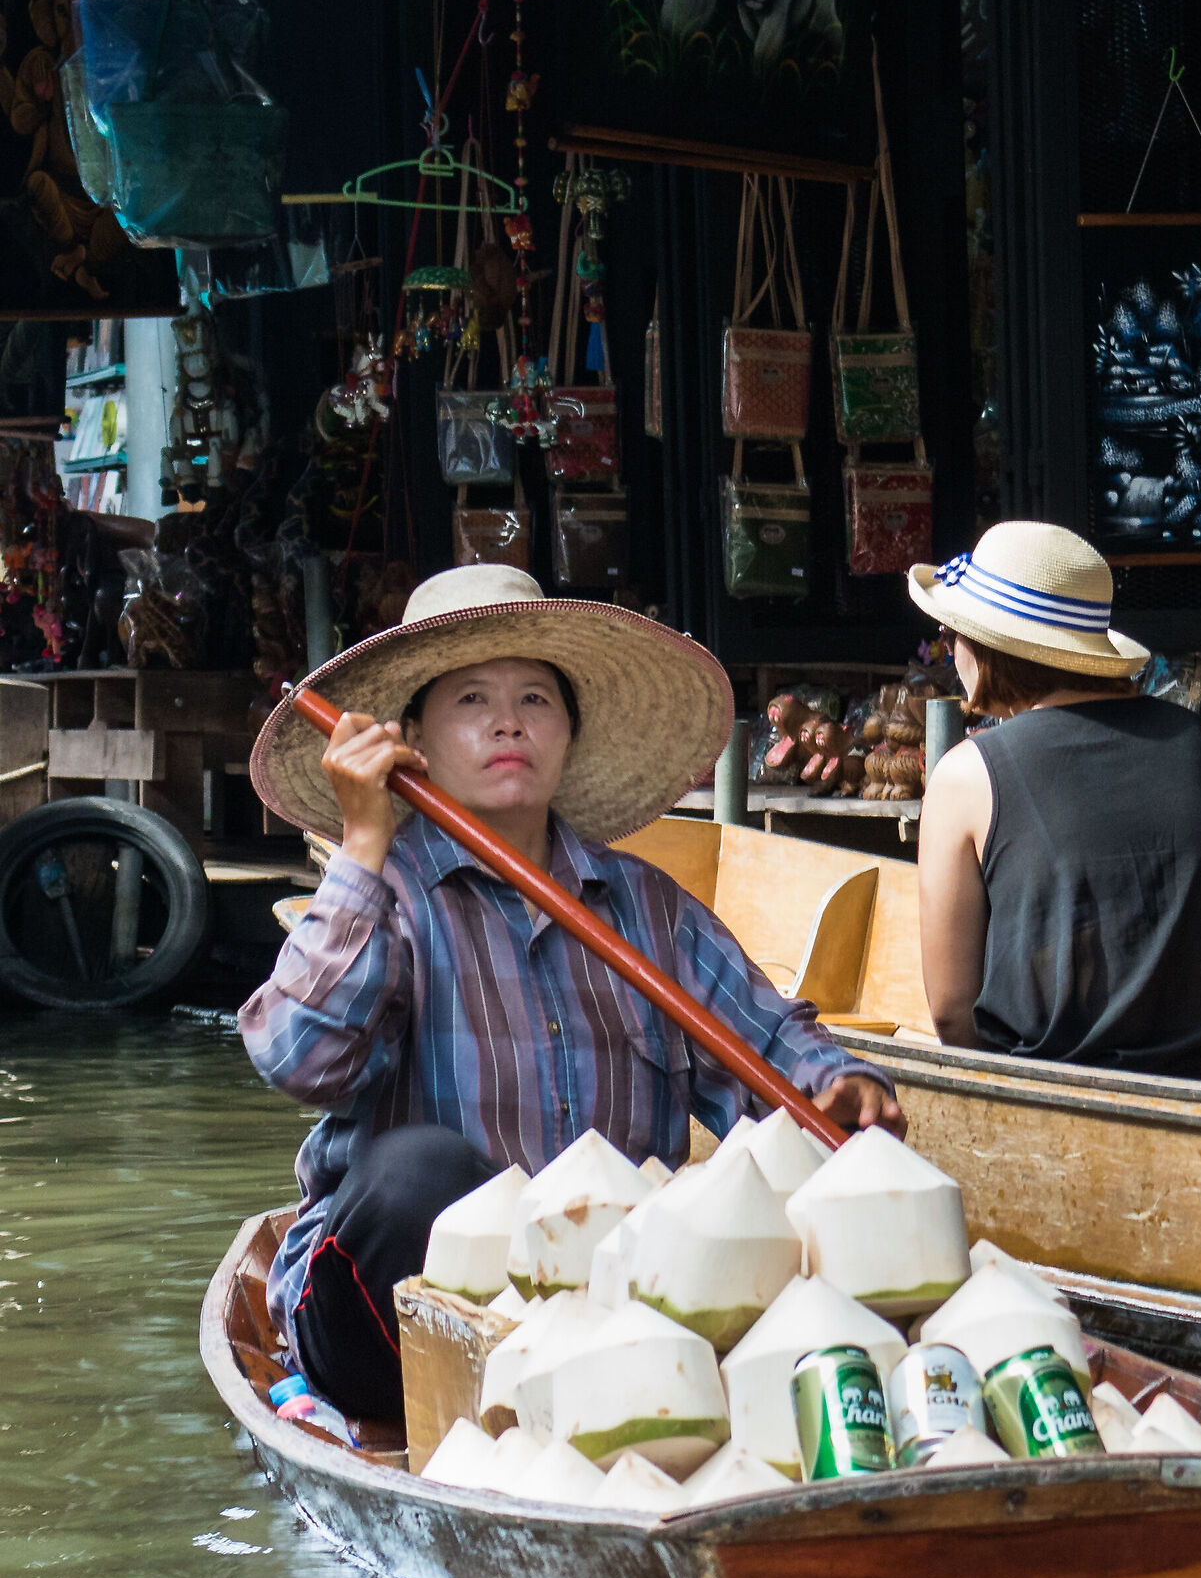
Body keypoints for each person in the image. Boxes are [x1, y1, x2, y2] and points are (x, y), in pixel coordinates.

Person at [241, 565, 901, 1431]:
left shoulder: (647, 907)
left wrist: (837, 1085)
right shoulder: (384, 893)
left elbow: (769, 1043)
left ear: (567, 732)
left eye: (535, 699)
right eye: (471, 699)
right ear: (414, 741)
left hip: (607, 1312)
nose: (508, 721)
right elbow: (300, 1060)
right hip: (397, 1320)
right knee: (417, 1173)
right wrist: (364, 839)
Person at [912, 521, 1201, 1078]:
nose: (948, 647)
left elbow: (951, 1012)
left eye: (950, 631)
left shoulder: (964, 776)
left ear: (984, 647)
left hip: (1044, 1096)